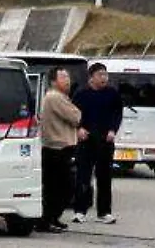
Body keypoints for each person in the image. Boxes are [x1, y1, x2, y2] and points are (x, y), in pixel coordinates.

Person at [72, 62, 124, 224]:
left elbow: (117, 113)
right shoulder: (81, 94)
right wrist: (78, 128)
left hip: (105, 140)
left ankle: (104, 212)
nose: (104, 78)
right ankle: (80, 211)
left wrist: (112, 130)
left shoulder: (112, 94)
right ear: (92, 77)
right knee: (83, 176)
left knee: (104, 176)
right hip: (86, 140)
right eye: (100, 75)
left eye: (105, 75)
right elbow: (73, 114)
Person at [37, 69, 83, 232]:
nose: (68, 80)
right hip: (57, 149)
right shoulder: (55, 97)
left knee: (58, 187)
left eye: (68, 77)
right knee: (61, 187)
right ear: (53, 81)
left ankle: (52, 217)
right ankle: (46, 219)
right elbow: (76, 116)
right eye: (63, 77)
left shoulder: (59, 97)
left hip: (59, 148)